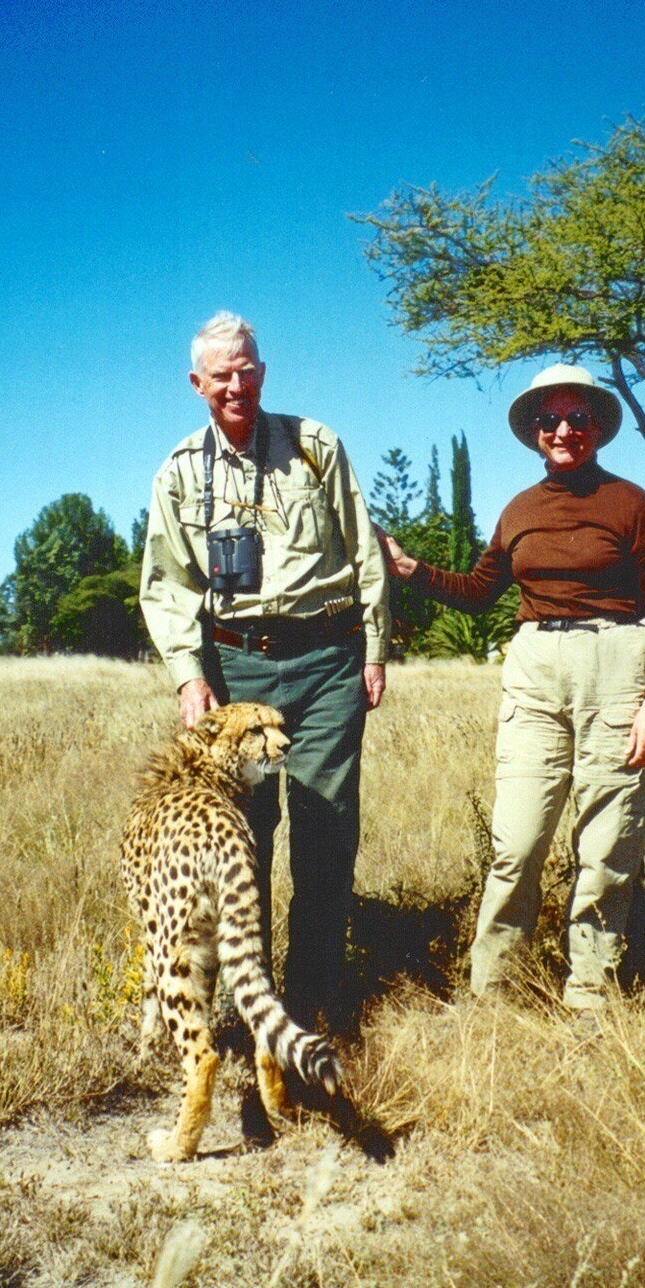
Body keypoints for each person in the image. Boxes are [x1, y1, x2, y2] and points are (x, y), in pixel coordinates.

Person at [382, 364, 645, 1024]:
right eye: (550, 420)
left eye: (578, 419)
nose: (564, 431)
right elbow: (481, 590)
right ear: (535, 432)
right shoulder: (517, 509)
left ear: (598, 427)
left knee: (607, 844)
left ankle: (590, 996)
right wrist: (411, 571)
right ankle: (493, 991)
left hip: (617, 663)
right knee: (517, 841)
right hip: (535, 665)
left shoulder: (632, 503)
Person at [140, 312, 389, 1032]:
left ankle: (312, 1006)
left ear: (264, 372)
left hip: (327, 662)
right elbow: (168, 584)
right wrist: (191, 678)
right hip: (235, 667)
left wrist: (374, 649)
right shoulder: (180, 471)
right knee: (239, 845)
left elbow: (364, 549)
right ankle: (249, 1010)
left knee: (326, 832)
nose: (236, 384)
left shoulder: (317, 447)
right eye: (221, 375)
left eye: (247, 369)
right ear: (197, 384)